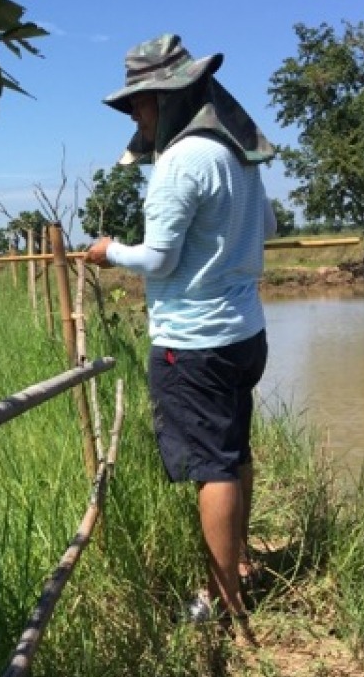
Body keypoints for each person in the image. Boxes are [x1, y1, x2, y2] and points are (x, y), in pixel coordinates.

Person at [84, 33, 276, 634]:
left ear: (168, 98)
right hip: (246, 335)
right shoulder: (237, 151)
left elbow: (161, 260)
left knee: (212, 467)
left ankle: (223, 601)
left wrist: (109, 251)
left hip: (194, 343)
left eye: (140, 103)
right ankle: (237, 565)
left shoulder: (180, 161)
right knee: (235, 451)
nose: (136, 117)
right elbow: (266, 225)